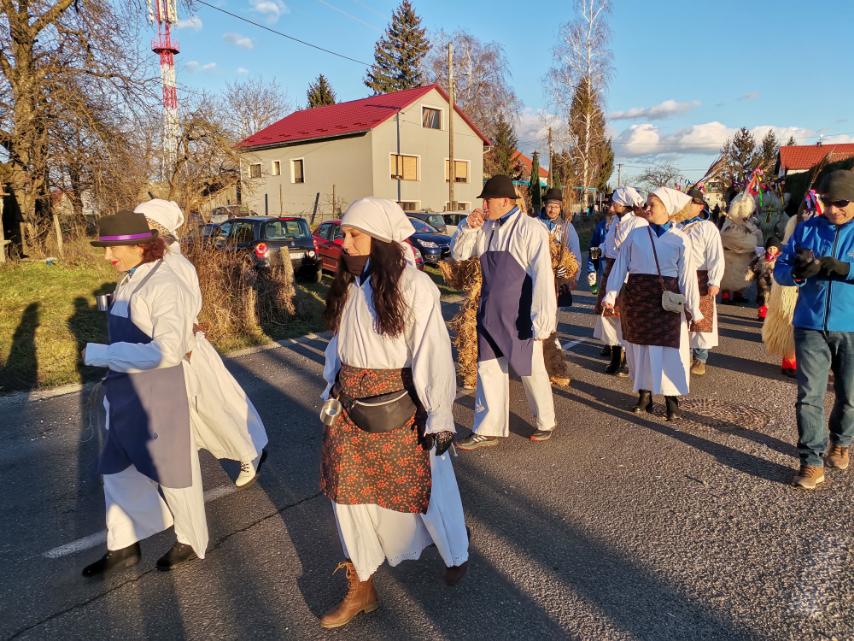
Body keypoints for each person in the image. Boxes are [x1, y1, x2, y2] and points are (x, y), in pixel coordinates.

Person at [319, 198, 469, 628]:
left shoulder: (415, 286)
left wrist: (439, 414)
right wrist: (330, 388)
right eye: (344, 234)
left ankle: (455, 549)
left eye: (354, 235)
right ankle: (362, 584)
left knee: (425, 485)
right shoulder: (349, 285)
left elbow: (432, 351)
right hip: (348, 404)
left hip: (399, 404)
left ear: (381, 241)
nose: (344, 242)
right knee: (345, 492)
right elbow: (339, 346)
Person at [81, 211, 208, 577]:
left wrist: (101, 354)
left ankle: (190, 539)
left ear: (140, 246)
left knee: (174, 471)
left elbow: (167, 351)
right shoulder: (131, 278)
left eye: (111, 250)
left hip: (159, 391)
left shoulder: (165, 284)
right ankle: (122, 545)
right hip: (122, 388)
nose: (107, 257)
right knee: (117, 468)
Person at [133, 200, 268, 488]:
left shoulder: (175, 264)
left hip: (187, 348)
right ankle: (185, 466)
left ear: (157, 231)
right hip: (164, 349)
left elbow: (186, 308)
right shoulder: (150, 265)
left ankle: (248, 452)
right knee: (190, 412)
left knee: (213, 407)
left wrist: (185, 344)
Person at [450, 175, 557, 447]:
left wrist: (542, 320)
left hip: (520, 314)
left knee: (530, 369)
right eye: (483, 200)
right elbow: (460, 254)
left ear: (506, 201)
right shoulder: (484, 228)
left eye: (488, 200)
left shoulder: (530, 229)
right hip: (488, 312)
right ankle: (487, 429)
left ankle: (545, 421)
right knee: (488, 369)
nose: (484, 205)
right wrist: (468, 227)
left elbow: (543, 276)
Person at [773, 170, 854, 490]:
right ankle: (811, 461)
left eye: (842, 202)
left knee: (849, 397)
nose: (833, 209)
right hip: (809, 324)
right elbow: (780, 268)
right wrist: (796, 271)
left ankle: (842, 440)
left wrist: (844, 269)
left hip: (851, 328)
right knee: (809, 397)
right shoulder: (807, 229)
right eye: (827, 202)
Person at [603, 188, 702, 422]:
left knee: (670, 349)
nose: (646, 208)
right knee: (640, 350)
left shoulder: (681, 239)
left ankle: (671, 401)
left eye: (652, 205)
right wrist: (611, 294)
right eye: (647, 204)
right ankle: (644, 395)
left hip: (666, 301)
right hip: (638, 300)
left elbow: (687, 277)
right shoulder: (636, 235)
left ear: (667, 209)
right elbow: (620, 267)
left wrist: (694, 308)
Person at [593, 186, 648, 375]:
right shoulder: (614, 221)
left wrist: (627, 277)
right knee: (608, 314)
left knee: (623, 317)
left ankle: (626, 359)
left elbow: (637, 250)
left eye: (615, 202)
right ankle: (615, 357)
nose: (612, 205)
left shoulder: (638, 223)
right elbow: (608, 243)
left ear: (624, 204)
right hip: (610, 268)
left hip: (627, 272)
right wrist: (599, 250)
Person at [675, 189, 724, 376]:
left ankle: (700, 358)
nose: (688, 205)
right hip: (680, 276)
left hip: (701, 277)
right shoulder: (677, 226)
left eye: (692, 203)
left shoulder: (707, 228)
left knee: (701, 318)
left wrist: (715, 280)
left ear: (701, 206)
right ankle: (683, 354)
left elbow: (716, 256)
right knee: (681, 316)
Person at [537, 186, 581, 387]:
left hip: (557, 281)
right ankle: (541, 363)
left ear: (560, 208)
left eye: (556, 206)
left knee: (551, 325)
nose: (552, 209)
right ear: (544, 206)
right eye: (549, 206)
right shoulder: (535, 224)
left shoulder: (566, 228)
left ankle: (554, 365)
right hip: (536, 279)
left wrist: (572, 276)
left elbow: (575, 255)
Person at [750, 239, 781, 320]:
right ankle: (762, 314)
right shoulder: (761, 257)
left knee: (773, 298)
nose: (772, 250)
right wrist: (751, 273)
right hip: (762, 282)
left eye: (774, 248)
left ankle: (772, 314)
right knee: (762, 297)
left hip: (775, 282)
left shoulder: (780, 259)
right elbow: (753, 265)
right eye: (770, 248)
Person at [587, 209, 610, 295]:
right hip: (604, 268)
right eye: (610, 205)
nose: (611, 209)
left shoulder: (631, 226)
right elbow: (595, 247)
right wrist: (591, 271)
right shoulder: (601, 226)